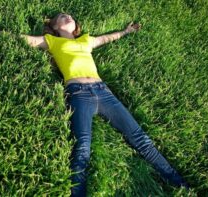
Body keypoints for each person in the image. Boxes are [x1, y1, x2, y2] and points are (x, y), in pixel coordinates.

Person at [20, 13, 189, 196]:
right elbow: (24, 39)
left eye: (69, 15)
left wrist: (126, 31)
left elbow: (107, 38)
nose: (68, 16)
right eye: (62, 16)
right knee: (82, 146)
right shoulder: (51, 41)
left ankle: (182, 186)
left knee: (140, 138)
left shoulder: (86, 40)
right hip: (78, 94)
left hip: (104, 92)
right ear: (53, 26)